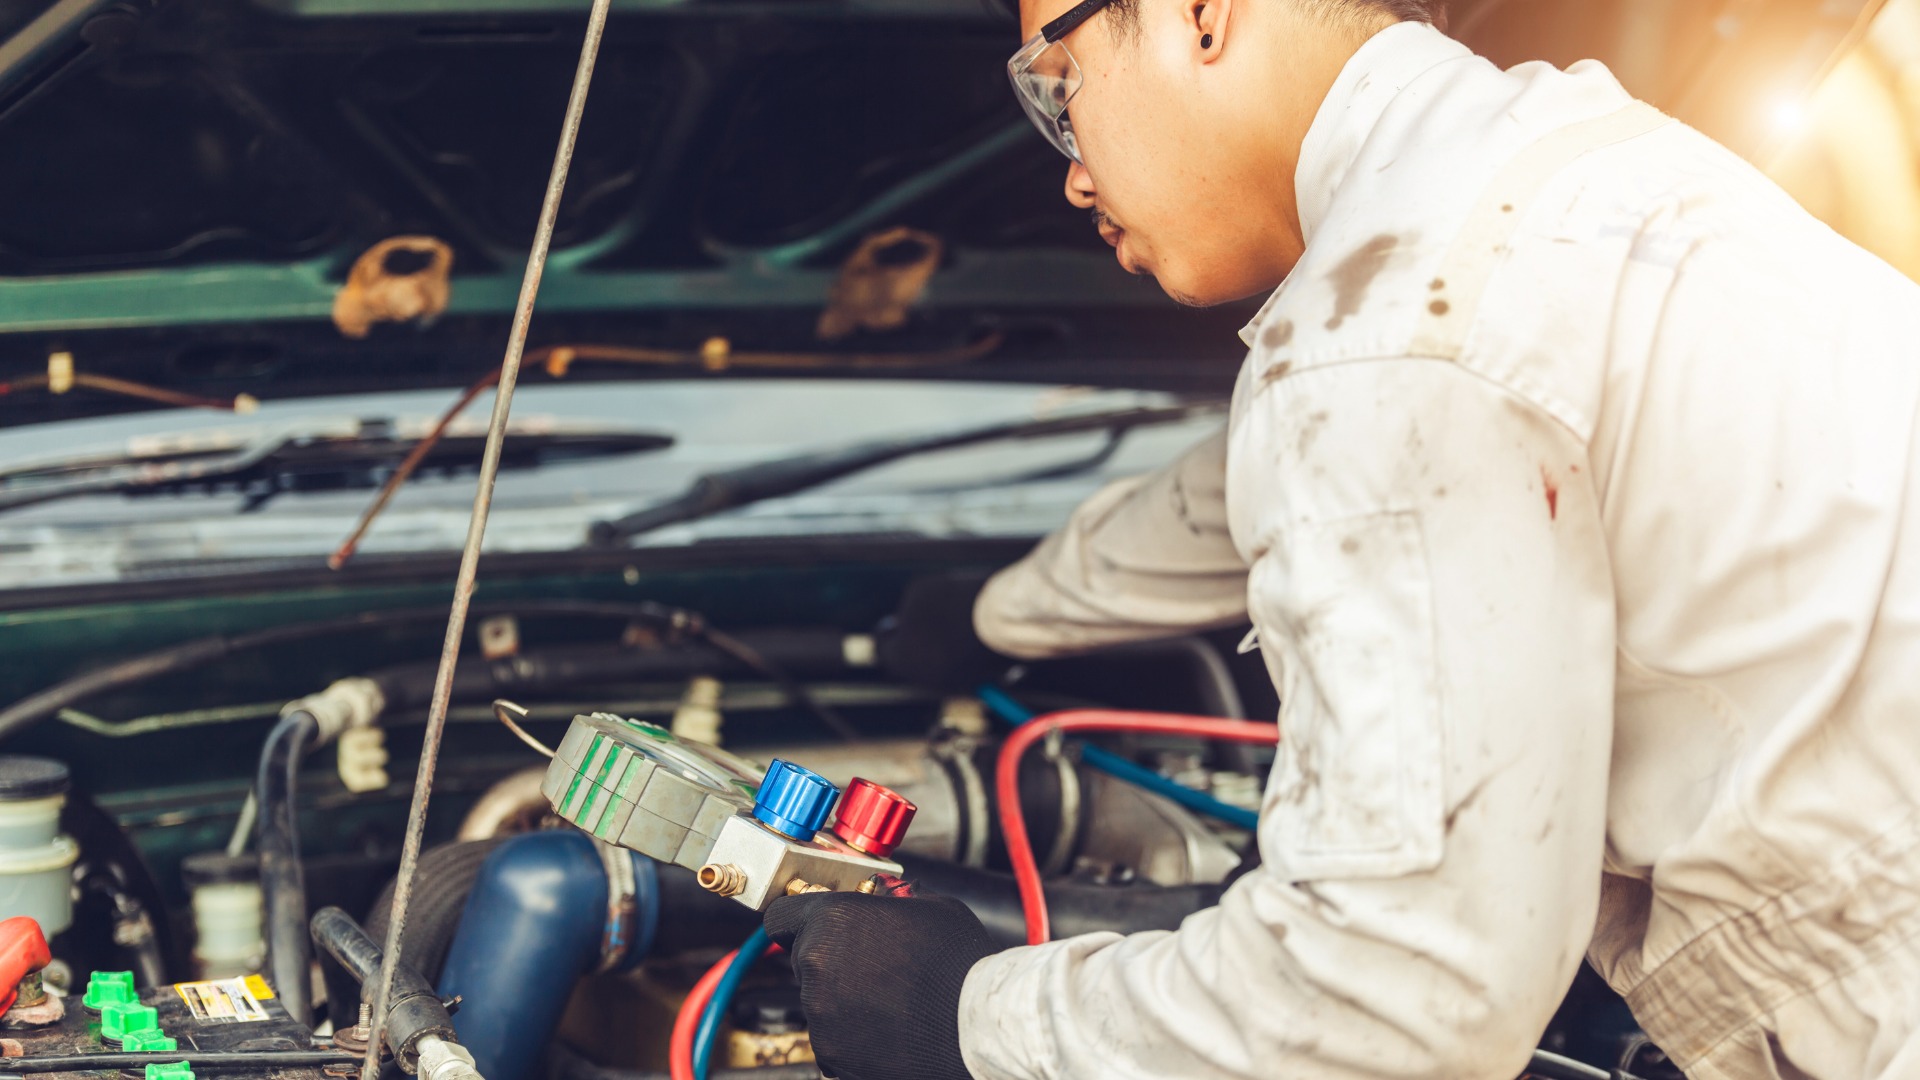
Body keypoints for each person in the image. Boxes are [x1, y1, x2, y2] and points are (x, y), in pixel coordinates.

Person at [763, 0, 1920, 1076]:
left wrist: (965, 1018)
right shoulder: (1580, 169)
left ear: (1202, 12)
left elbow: (1397, 987)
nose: (1067, 172)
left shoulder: (1394, 324)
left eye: (1060, 86)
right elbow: (1234, 494)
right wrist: (998, 615)